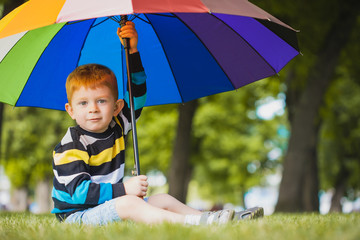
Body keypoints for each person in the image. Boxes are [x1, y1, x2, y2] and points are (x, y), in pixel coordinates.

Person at [51, 21, 262, 225]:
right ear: (70, 110)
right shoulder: (72, 144)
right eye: (83, 103)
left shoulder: (118, 125)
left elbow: (138, 94)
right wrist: (125, 189)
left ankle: (218, 219)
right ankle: (194, 222)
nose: (93, 109)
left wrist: (132, 52)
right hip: (77, 216)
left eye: (101, 101)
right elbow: (79, 192)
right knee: (129, 203)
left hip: (111, 204)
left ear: (116, 107)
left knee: (163, 199)